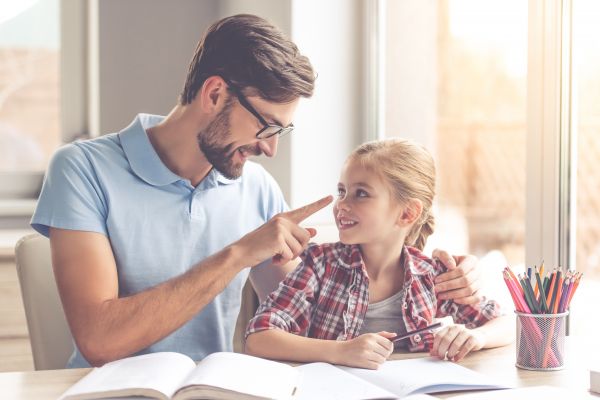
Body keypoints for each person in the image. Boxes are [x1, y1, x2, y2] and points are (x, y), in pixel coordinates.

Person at [31, 14, 484, 368]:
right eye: (266, 126)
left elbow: (317, 315)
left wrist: (445, 284)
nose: (269, 148)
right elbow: (100, 341)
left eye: (280, 133)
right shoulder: (82, 169)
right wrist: (237, 254)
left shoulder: (257, 189)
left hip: (215, 389)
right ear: (213, 95)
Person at [245, 139, 514, 369]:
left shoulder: (432, 277)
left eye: (361, 194)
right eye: (342, 191)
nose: (342, 204)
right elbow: (259, 336)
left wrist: (476, 337)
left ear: (408, 213)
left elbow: (507, 323)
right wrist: (340, 351)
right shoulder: (319, 266)